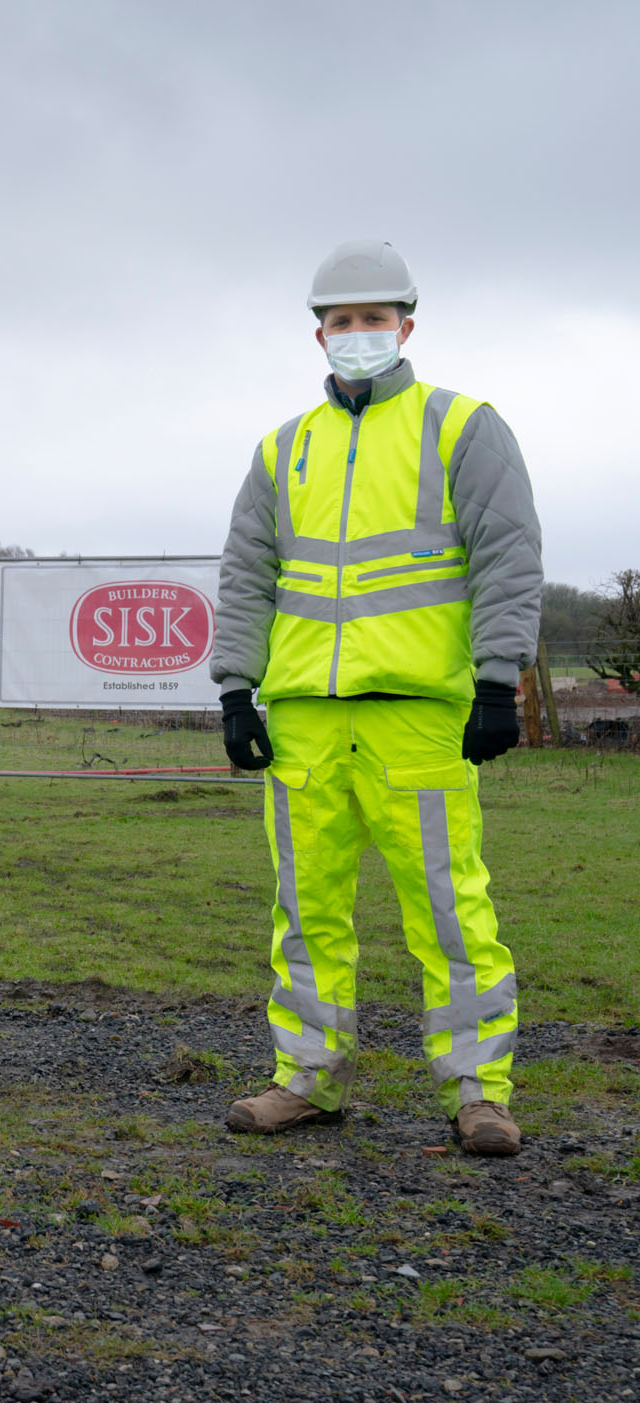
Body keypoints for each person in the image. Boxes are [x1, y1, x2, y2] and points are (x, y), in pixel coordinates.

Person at [211, 241, 542, 1156]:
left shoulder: (463, 427)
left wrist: (496, 680)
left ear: (407, 323)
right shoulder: (283, 451)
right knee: (305, 909)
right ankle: (305, 1081)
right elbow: (248, 576)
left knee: (448, 907)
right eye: (341, 320)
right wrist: (237, 691)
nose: (357, 334)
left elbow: (507, 557)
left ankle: (480, 1092)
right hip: (307, 722)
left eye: (373, 318)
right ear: (318, 332)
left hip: (419, 717)